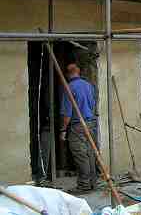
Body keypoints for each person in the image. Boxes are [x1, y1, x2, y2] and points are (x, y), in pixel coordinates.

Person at [60, 63, 97, 194]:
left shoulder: (69, 88)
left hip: (77, 125)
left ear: (68, 74)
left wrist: (63, 130)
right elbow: (93, 104)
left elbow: (67, 113)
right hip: (90, 122)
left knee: (80, 154)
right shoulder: (88, 85)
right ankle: (93, 182)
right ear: (79, 71)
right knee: (89, 152)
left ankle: (84, 185)